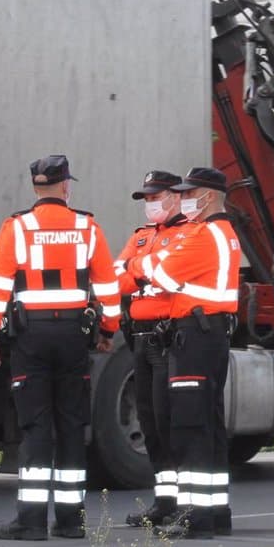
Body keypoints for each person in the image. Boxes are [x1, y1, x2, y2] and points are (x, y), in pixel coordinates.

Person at [0, 154, 120, 541]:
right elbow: (108, 287)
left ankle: (31, 521)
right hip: (74, 336)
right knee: (72, 424)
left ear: (34, 188)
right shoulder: (87, 228)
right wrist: (107, 329)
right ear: (65, 186)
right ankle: (72, 521)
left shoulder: (17, 227)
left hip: (31, 338)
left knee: (36, 426)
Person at [144, 167, 240, 539]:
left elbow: (163, 277)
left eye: (191, 192)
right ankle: (215, 511)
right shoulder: (225, 234)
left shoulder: (204, 235)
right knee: (210, 425)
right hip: (211, 334)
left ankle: (195, 517)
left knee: (190, 426)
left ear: (210, 196)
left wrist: (141, 266)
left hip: (194, 337)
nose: (185, 199)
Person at [114, 170, 189, 528]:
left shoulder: (188, 233)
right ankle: (164, 500)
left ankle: (182, 503)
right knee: (149, 423)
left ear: (175, 196)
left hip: (169, 338)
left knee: (168, 419)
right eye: (146, 199)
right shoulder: (142, 237)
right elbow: (119, 275)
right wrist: (143, 270)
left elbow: (168, 275)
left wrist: (138, 270)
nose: (150, 205)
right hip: (140, 338)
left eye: (155, 197)